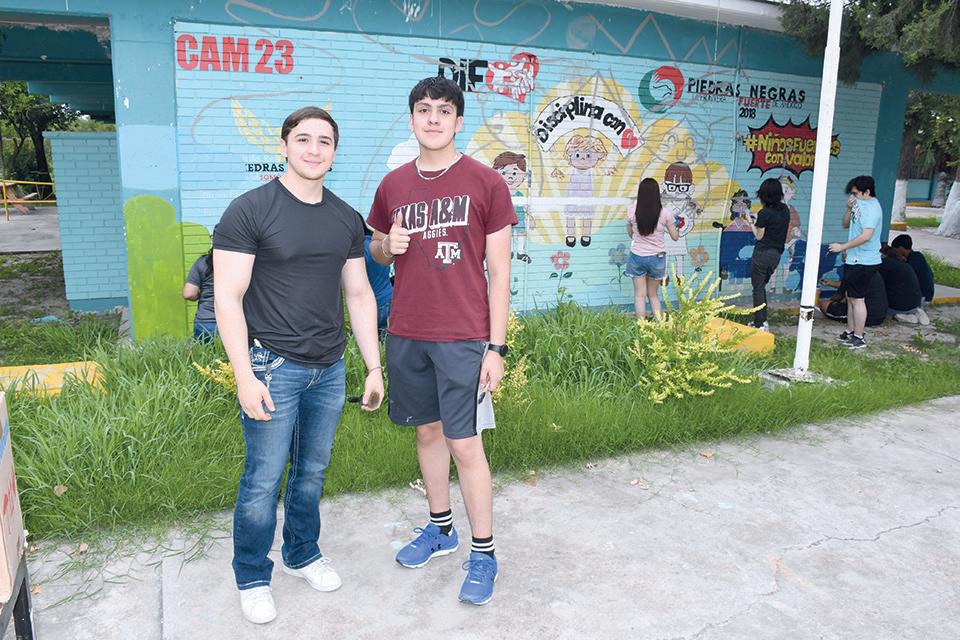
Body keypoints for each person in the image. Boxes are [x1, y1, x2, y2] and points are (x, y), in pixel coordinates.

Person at [213, 106, 384, 625]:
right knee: (263, 479)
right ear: (283, 145)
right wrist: (244, 376)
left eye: (324, 141)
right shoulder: (249, 210)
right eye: (303, 139)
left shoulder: (345, 217)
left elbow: (359, 293)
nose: (314, 149)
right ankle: (251, 575)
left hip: (329, 368)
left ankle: (301, 553)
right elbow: (227, 297)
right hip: (271, 365)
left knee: (311, 472)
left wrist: (373, 367)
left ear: (335, 152)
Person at [367, 76, 515, 606]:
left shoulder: (486, 183)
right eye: (424, 109)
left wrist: (496, 347)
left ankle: (484, 553)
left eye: (444, 110)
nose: (433, 118)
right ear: (412, 119)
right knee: (427, 433)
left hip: (463, 336)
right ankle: (440, 528)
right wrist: (387, 243)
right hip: (407, 331)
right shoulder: (393, 185)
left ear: (458, 121)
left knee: (464, 443)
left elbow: (500, 273)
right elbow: (378, 251)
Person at [828, 175, 883, 350]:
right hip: (854, 258)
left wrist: (842, 246)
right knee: (851, 297)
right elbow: (846, 224)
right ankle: (850, 331)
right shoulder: (859, 204)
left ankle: (859, 336)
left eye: (856, 193)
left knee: (858, 300)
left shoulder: (872, 208)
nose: (853, 196)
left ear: (867, 192)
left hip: (865, 260)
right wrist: (849, 208)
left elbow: (866, 236)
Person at [625, 177, 679, 319]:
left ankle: (642, 326)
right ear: (657, 193)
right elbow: (675, 237)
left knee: (639, 295)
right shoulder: (665, 213)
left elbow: (631, 234)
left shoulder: (632, 211)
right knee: (653, 295)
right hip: (657, 258)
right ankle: (659, 325)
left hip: (637, 256)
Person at [748, 178, 791, 331]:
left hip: (762, 254)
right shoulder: (785, 210)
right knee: (761, 287)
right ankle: (762, 320)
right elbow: (774, 226)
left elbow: (759, 236)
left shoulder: (764, 213)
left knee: (758, 288)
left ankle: (760, 324)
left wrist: (751, 222)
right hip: (776, 255)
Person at [492, 151, 534, 263]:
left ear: (523, 175)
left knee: (521, 234)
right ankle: (509, 251)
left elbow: (526, 207)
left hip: (520, 219)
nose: (510, 177)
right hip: (506, 220)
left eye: (515, 173)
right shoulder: (499, 194)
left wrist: (531, 218)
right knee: (508, 235)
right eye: (504, 173)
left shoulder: (520, 195)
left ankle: (520, 252)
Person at [818, 271, 887, 327]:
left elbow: (840, 292)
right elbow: (845, 285)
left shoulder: (854, 272)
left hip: (869, 317)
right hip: (879, 315)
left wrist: (831, 301)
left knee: (824, 305)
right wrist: (830, 283)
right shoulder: (870, 270)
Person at [878, 247, 928, 324]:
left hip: (898, 307)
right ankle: (916, 313)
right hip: (915, 304)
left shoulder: (884, 264)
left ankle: (901, 315)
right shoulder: (904, 265)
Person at [362, 224, 393, 338]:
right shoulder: (377, 245)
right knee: (386, 337)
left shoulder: (358, 251)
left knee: (372, 338)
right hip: (390, 295)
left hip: (374, 303)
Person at [183, 246, 217, 342]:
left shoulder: (203, 262)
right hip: (232, 323)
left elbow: (189, 293)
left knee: (204, 352)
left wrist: (202, 294)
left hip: (204, 322)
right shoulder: (240, 262)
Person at [890, 234, 935, 304]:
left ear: (900, 248)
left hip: (923, 295)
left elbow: (901, 276)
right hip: (924, 294)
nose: (895, 253)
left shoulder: (914, 259)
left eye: (895, 251)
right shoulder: (916, 256)